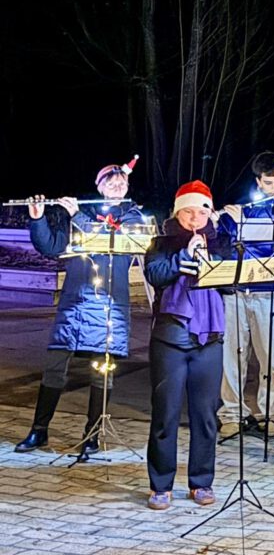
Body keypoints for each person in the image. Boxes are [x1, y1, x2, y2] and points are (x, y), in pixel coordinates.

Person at [15, 157, 144, 454]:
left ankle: (93, 434)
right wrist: (38, 218)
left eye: (122, 182)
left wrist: (77, 217)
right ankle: (39, 431)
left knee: (102, 371)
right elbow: (51, 247)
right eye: (111, 182)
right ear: (99, 187)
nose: (117, 186)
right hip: (75, 303)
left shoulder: (133, 217)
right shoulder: (83, 213)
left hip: (109, 307)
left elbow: (111, 240)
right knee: (54, 366)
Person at [143, 180, 233, 510]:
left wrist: (211, 259)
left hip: (209, 339)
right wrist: (184, 255)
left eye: (202, 212)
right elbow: (156, 275)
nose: (195, 218)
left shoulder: (221, 242)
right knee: (165, 414)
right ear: (177, 213)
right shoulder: (161, 243)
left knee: (205, 415)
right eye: (188, 212)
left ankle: (201, 481)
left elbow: (231, 285)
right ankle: (161, 484)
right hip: (171, 337)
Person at [216, 151, 274, 437]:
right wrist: (225, 221)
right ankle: (232, 413)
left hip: (271, 292)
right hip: (236, 292)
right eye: (268, 183)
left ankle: (271, 415)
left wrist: (245, 227)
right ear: (258, 182)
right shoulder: (244, 208)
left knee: (270, 359)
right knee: (233, 358)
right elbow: (225, 248)